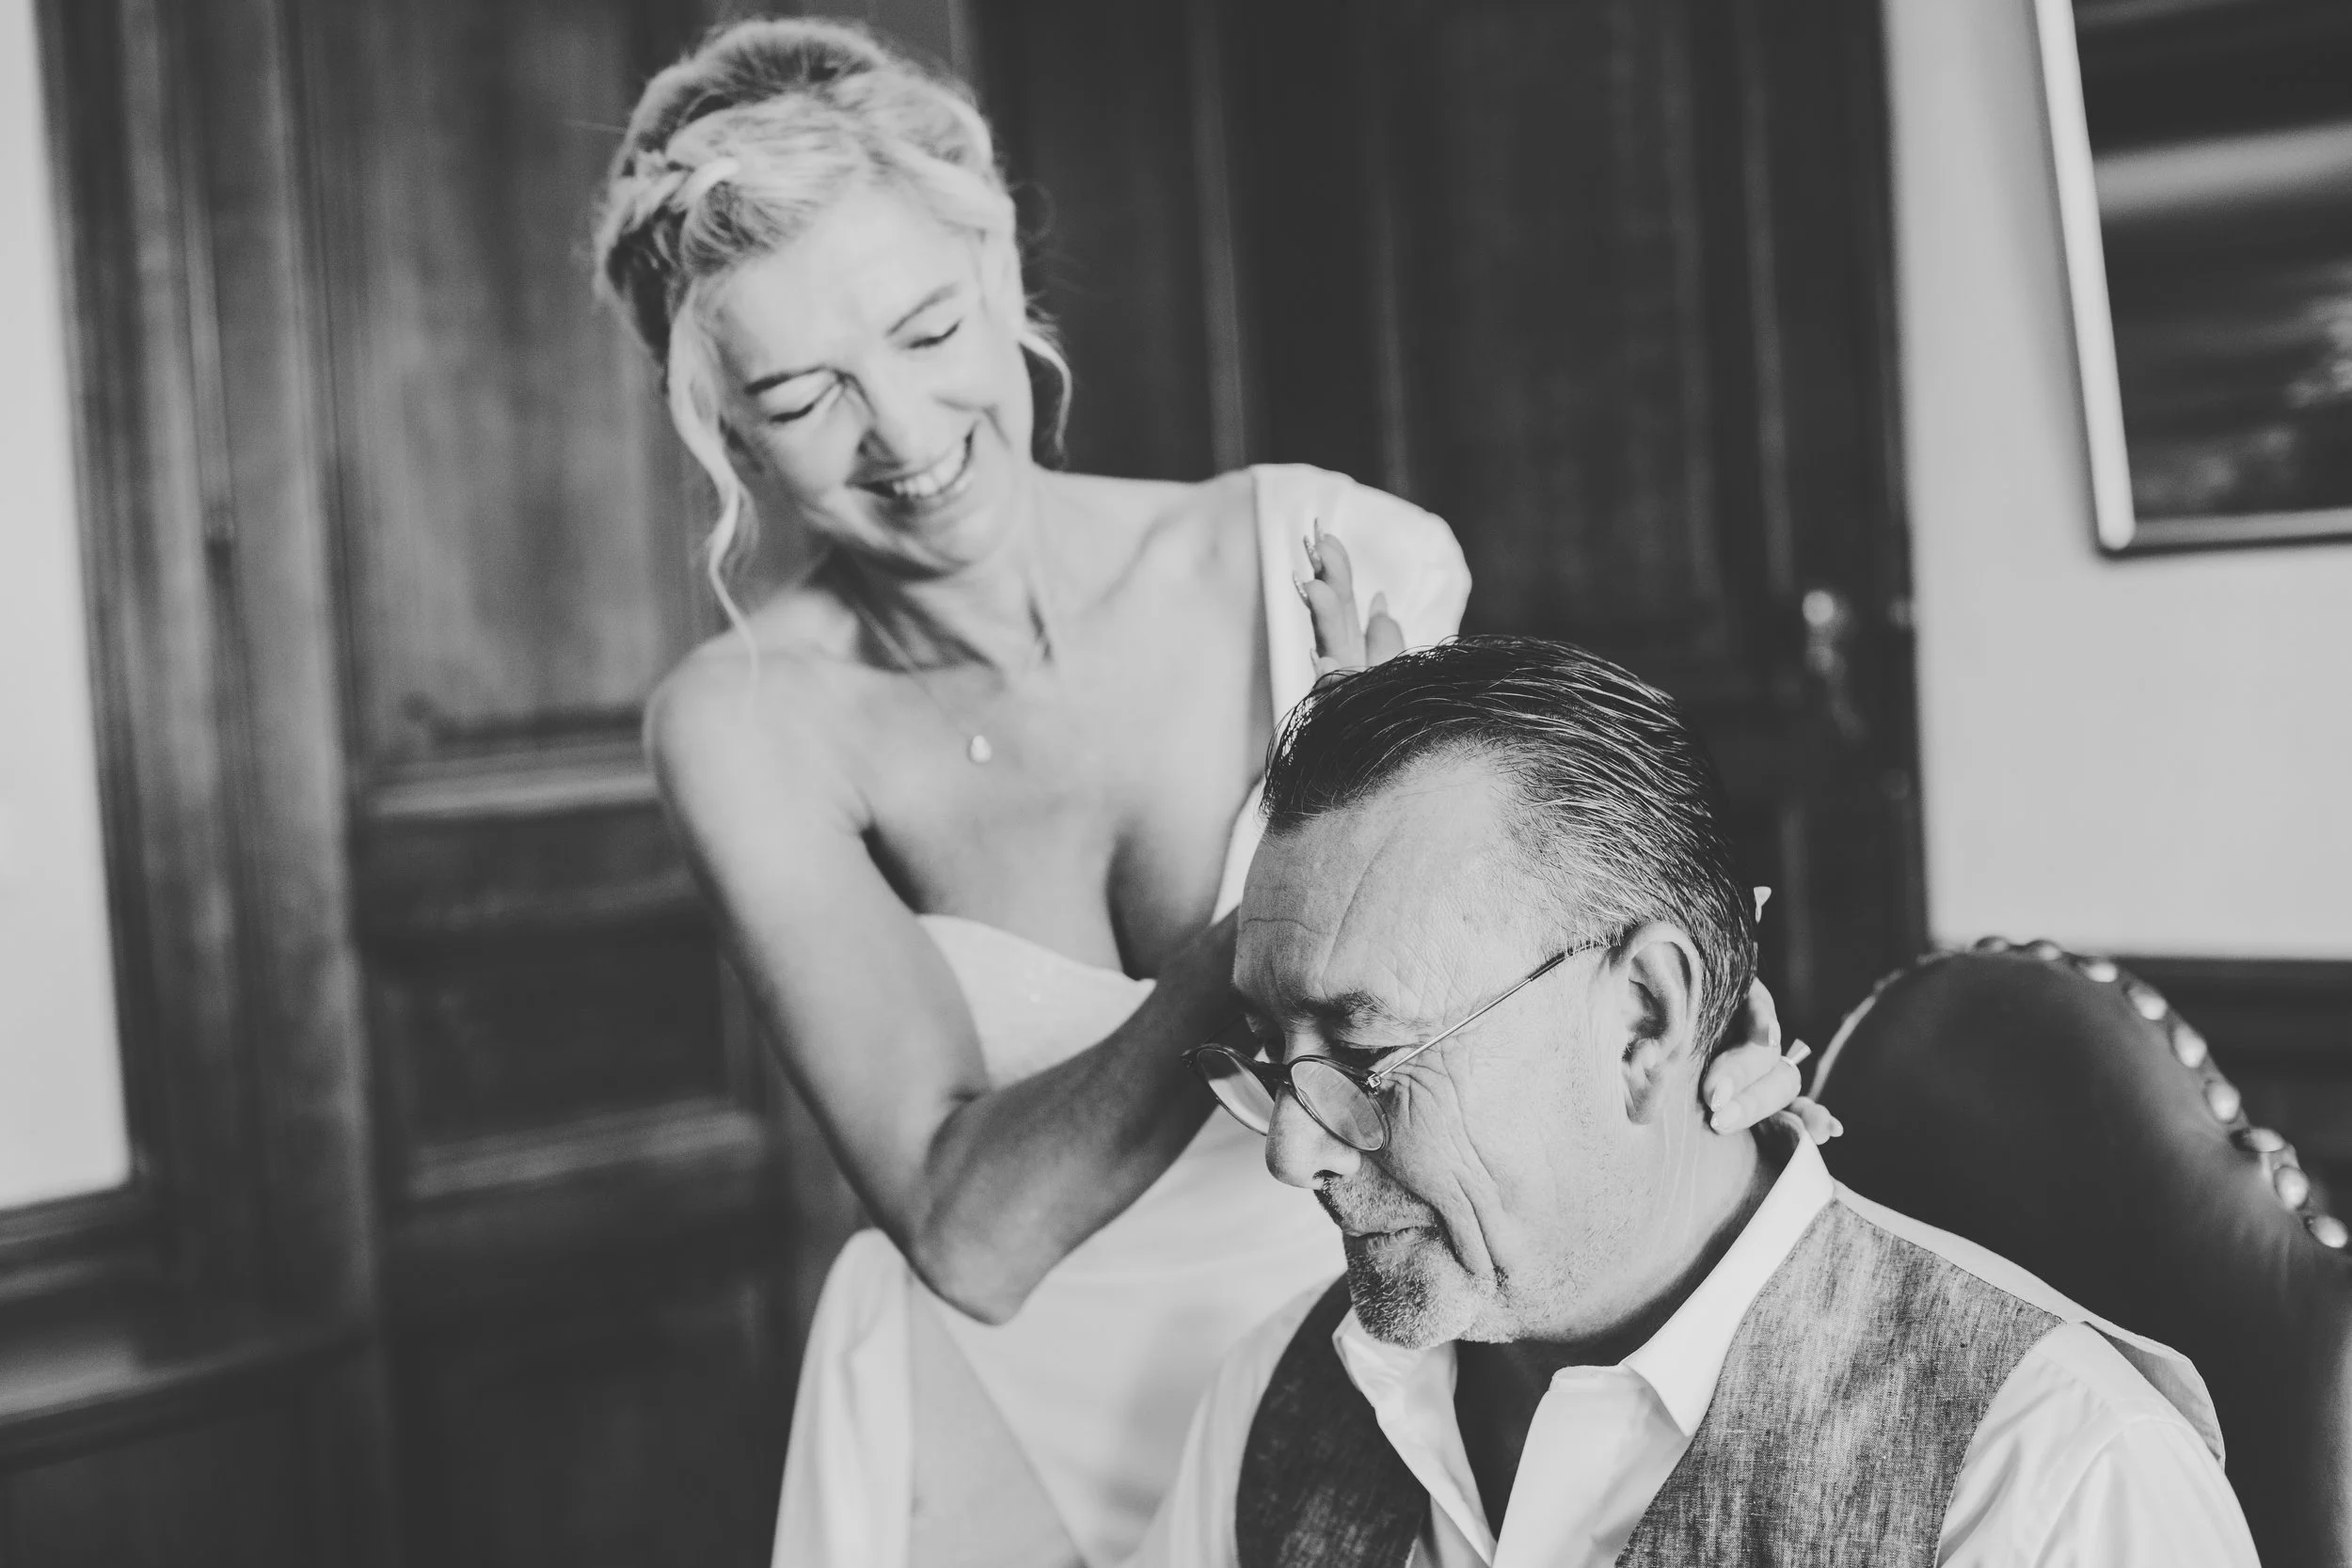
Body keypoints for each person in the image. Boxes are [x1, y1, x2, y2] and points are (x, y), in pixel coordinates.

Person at [590, 23, 1815, 1567]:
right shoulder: (743, 724)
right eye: (800, 392)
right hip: (987, 1425)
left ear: (996, 272)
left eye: (922, 328)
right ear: (722, 425)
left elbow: (1533, 1011)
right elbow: (970, 1234)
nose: (901, 435)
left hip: (1358, 1361)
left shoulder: (1319, 560)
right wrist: (1269, 920)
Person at [1141, 636, 2259, 1568]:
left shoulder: (2056, 1485)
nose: (1294, 1149)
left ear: (1645, 1020)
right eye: (1271, 1049)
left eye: (1369, 1049)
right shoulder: (1275, 1396)